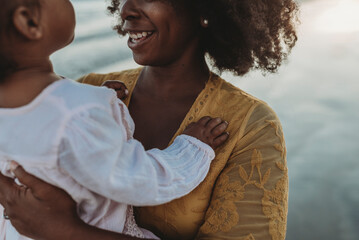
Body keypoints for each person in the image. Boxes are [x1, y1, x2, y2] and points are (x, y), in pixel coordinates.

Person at [0, 0, 299, 239]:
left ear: (205, 9)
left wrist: (62, 231)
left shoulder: (250, 125)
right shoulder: (89, 91)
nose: (126, 10)